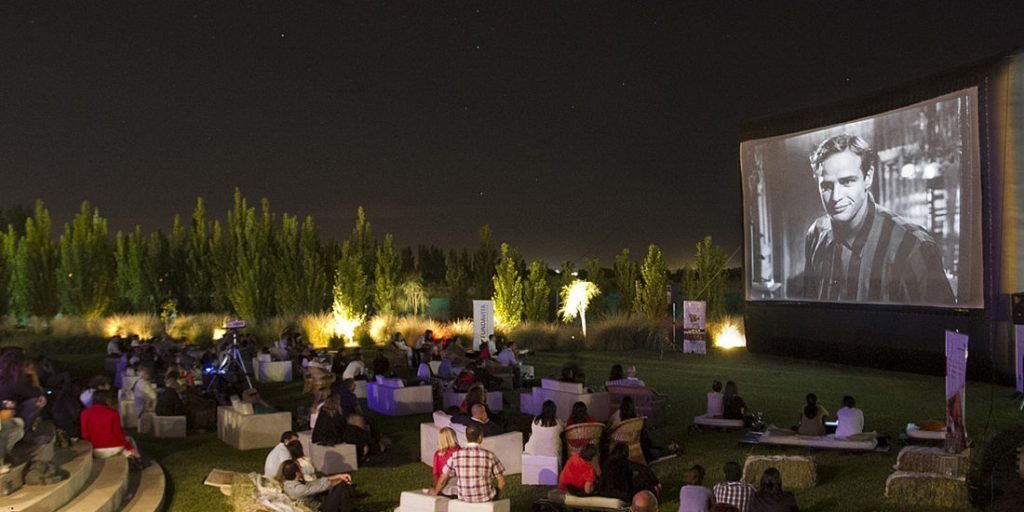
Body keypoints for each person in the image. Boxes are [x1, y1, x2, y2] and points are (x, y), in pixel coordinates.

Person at [803, 133, 954, 304]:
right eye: (827, 186)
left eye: (847, 182)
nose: (836, 196)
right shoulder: (816, 234)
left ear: (867, 178)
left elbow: (947, 328)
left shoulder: (913, 246)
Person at [429, 424, 506, 502]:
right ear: (480, 437)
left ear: (466, 437)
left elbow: (442, 479)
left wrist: (435, 491)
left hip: (464, 498)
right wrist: (496, 496)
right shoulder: (490, 455)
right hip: (486, 498)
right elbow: (502, 482)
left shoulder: (455, 455)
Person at [80, 390, 139, 459]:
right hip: (114, 448)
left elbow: (85, 435)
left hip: (96, 450)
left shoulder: (84, 413)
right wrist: (130, 448)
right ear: (106, 400)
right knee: (130, 441)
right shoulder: (113, 413)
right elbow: (118, 433)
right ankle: (138, 460)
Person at [279, 459, 354, 512]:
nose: (301, 468)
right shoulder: (299, 489)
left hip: (317, 500)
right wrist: (342, 479)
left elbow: (316, 482)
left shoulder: (288, 483)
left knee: (338, 484)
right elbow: (324, 486)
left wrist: (338, 476)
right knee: (341, 485)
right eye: (300, 468)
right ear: (297, 473)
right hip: (319, 509)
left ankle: (348, 505)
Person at [432, 427, 460, 497]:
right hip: (461, 486)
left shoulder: (438, 454)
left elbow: (436, 475)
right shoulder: (461, 452)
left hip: (444, 487)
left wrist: (436, 490)